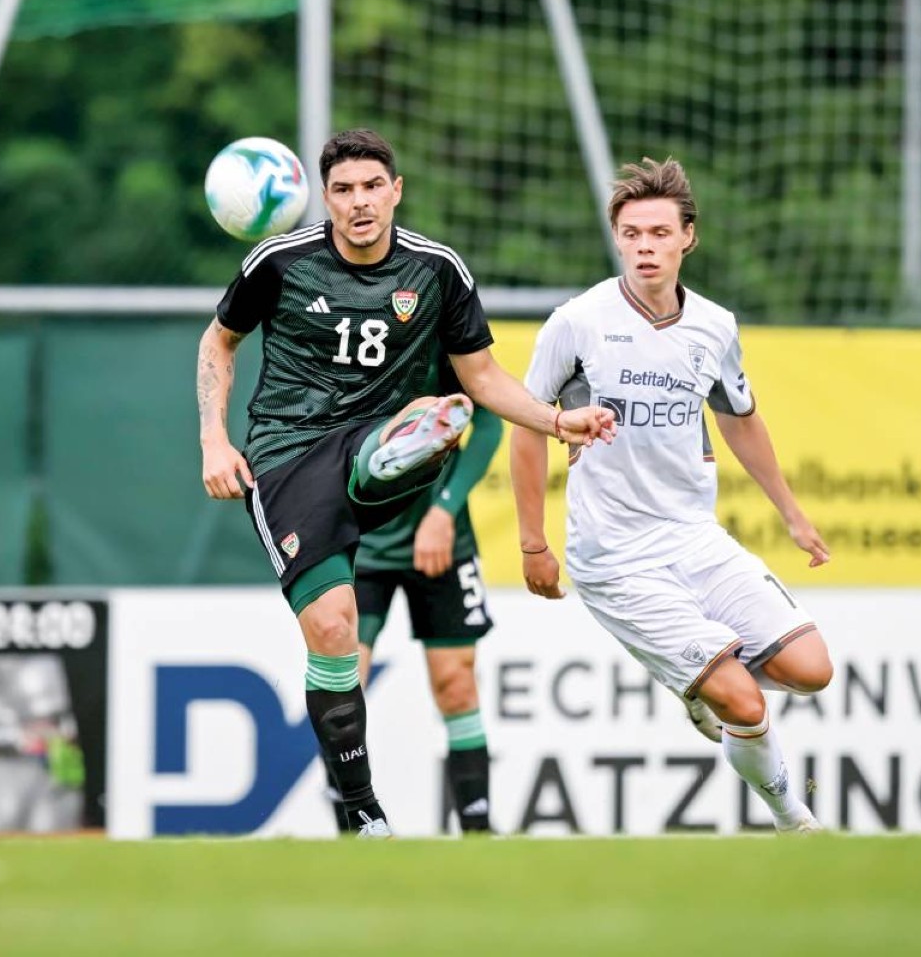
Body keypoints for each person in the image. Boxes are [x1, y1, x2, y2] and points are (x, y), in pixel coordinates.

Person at [197, 127, 614, 839]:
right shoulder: (279, 261)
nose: (359, 202)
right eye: (343, 190)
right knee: (333, 634)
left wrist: (555, 421)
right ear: (324, 198)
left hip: (375, 442)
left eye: (371, 187)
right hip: (289, 455)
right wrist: (213, 439)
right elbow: (219, 340)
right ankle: (363, 813)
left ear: (396, 191)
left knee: (432, 413)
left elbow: (483, 378)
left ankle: (398, 450)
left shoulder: (436, 270)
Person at [510, 156, 834, 834]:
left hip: (694, 538)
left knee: (812, 670)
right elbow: (528, 425)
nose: (645, 247)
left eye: (659, 233)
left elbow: (740, 419)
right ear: (616, 238)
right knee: (745, 704)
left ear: (688, 236)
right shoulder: (577, 322)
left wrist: (793, 514)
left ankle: (699, 677)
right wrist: (533, 543)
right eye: (631, 234)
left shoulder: (714, 325)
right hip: (615, 558)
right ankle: (793, 820)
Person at [326, 372, 501, 836]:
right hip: (362, 544)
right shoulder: (347, 346)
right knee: (344, 684)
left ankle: (478, 833)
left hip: (443, 543)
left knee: (456, 682)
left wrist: (444, 509)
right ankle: (352, 828)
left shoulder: (446, 343)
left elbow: (489, 425)